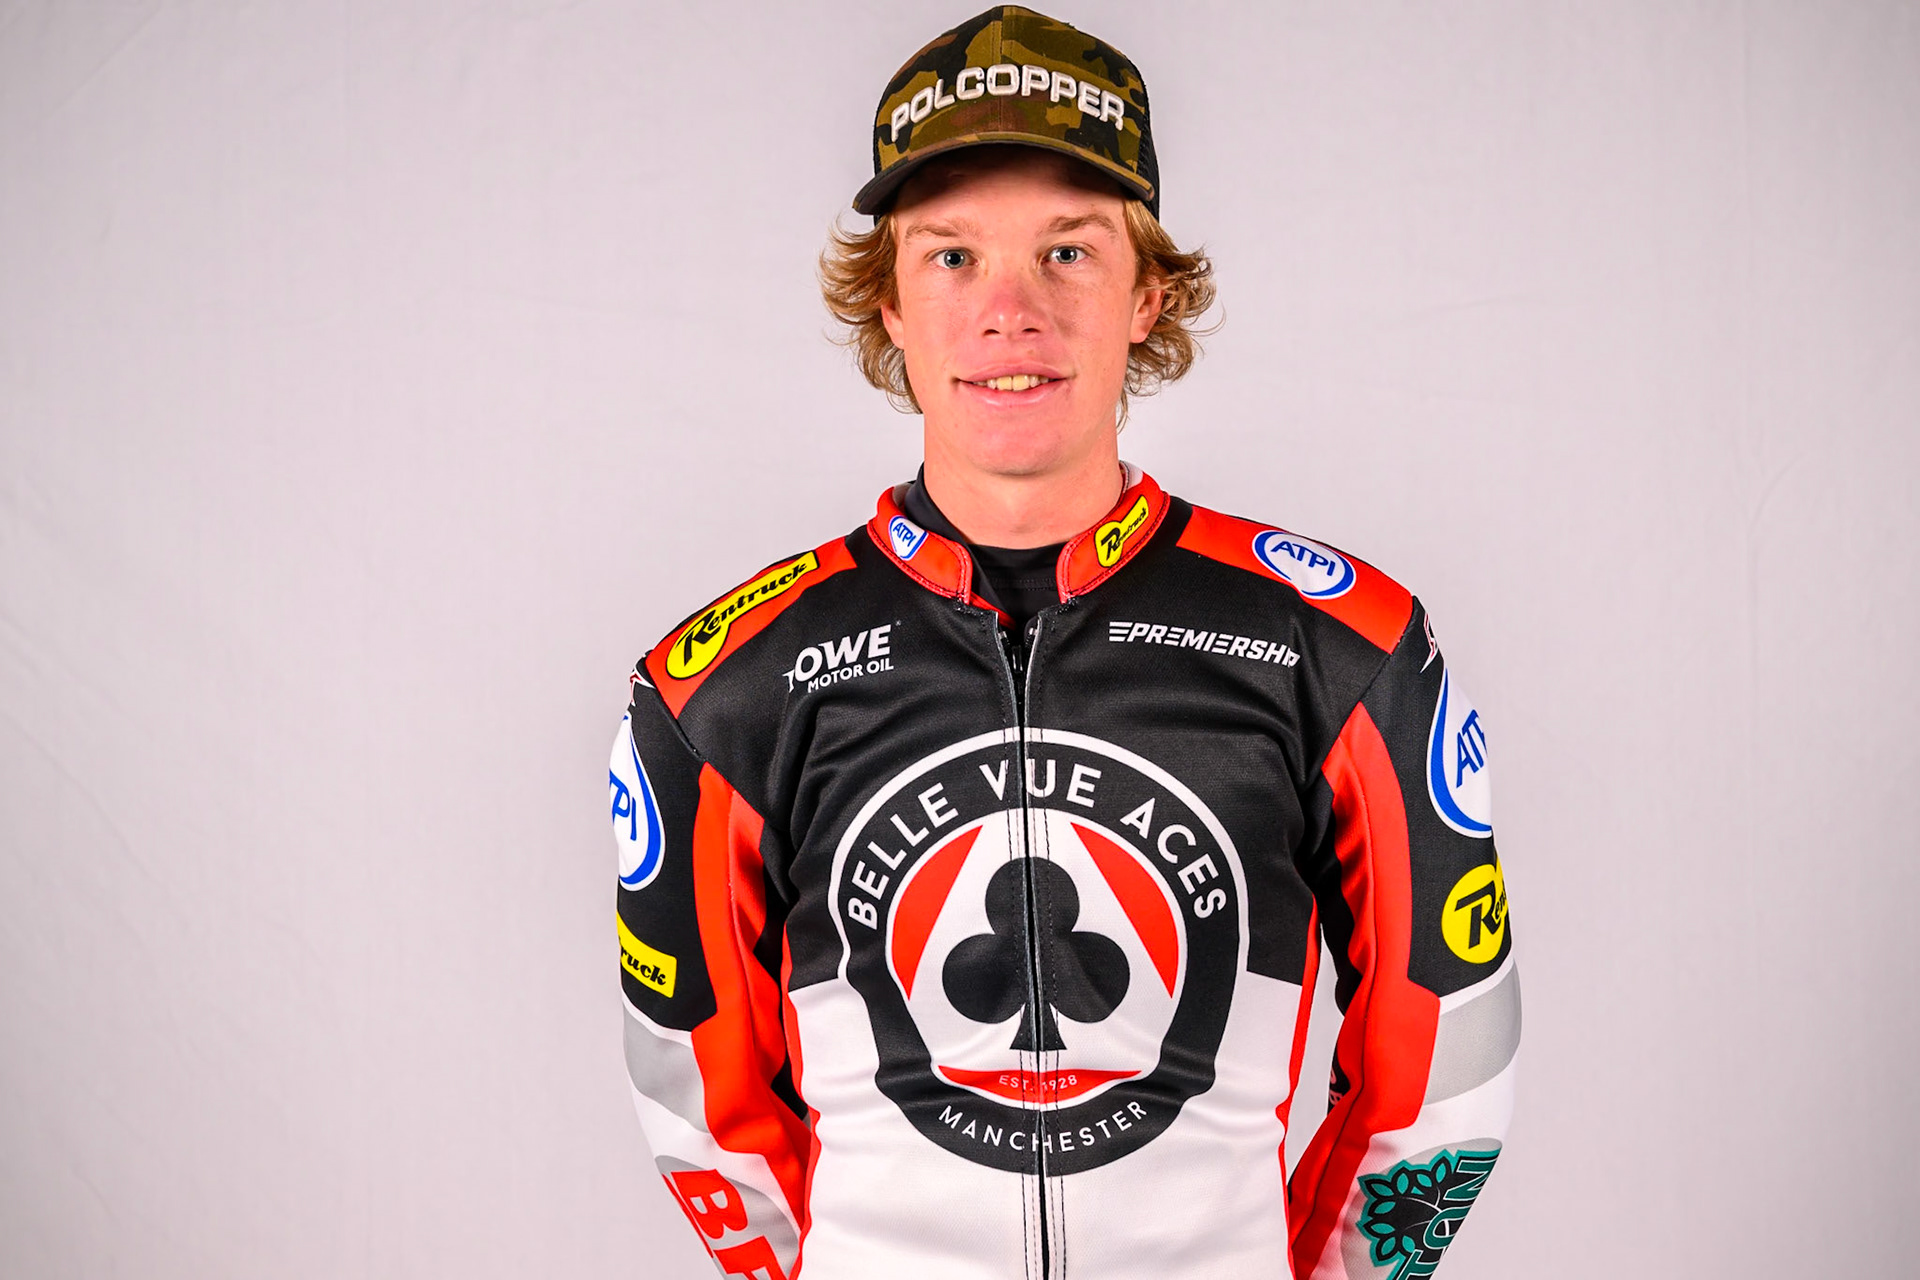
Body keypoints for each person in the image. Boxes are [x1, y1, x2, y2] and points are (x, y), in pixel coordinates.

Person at [610, 8, 1518, 1278]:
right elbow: (703, 1106)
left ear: (1149, 293)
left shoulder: (1344, 645)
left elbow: (1448, 1056)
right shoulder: (719, 688)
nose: (1010, 312)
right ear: (889, 300)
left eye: (1068, 252)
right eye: (951, 257)